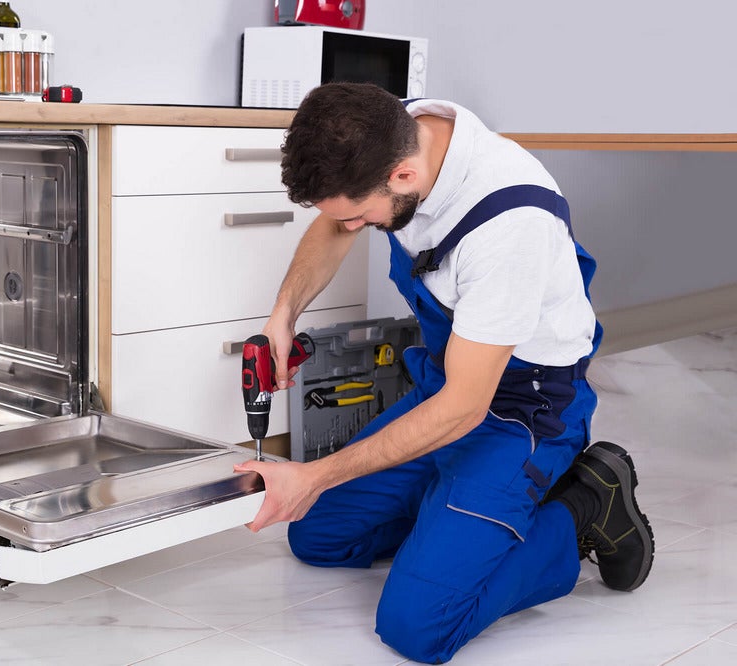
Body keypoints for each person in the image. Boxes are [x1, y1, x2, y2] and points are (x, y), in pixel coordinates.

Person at [233, 82, 655, 664]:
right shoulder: (396, 131)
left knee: (420, 627)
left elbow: (465, 408)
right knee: (318, 535)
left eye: (362, 217)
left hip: (521, 411)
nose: (353, 228)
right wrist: (283, 313)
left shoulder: (510, 225)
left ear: (403, 177)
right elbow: (334, 222)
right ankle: (458, 510)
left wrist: (316, 474)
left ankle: (586, 503)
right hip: (445, 384)